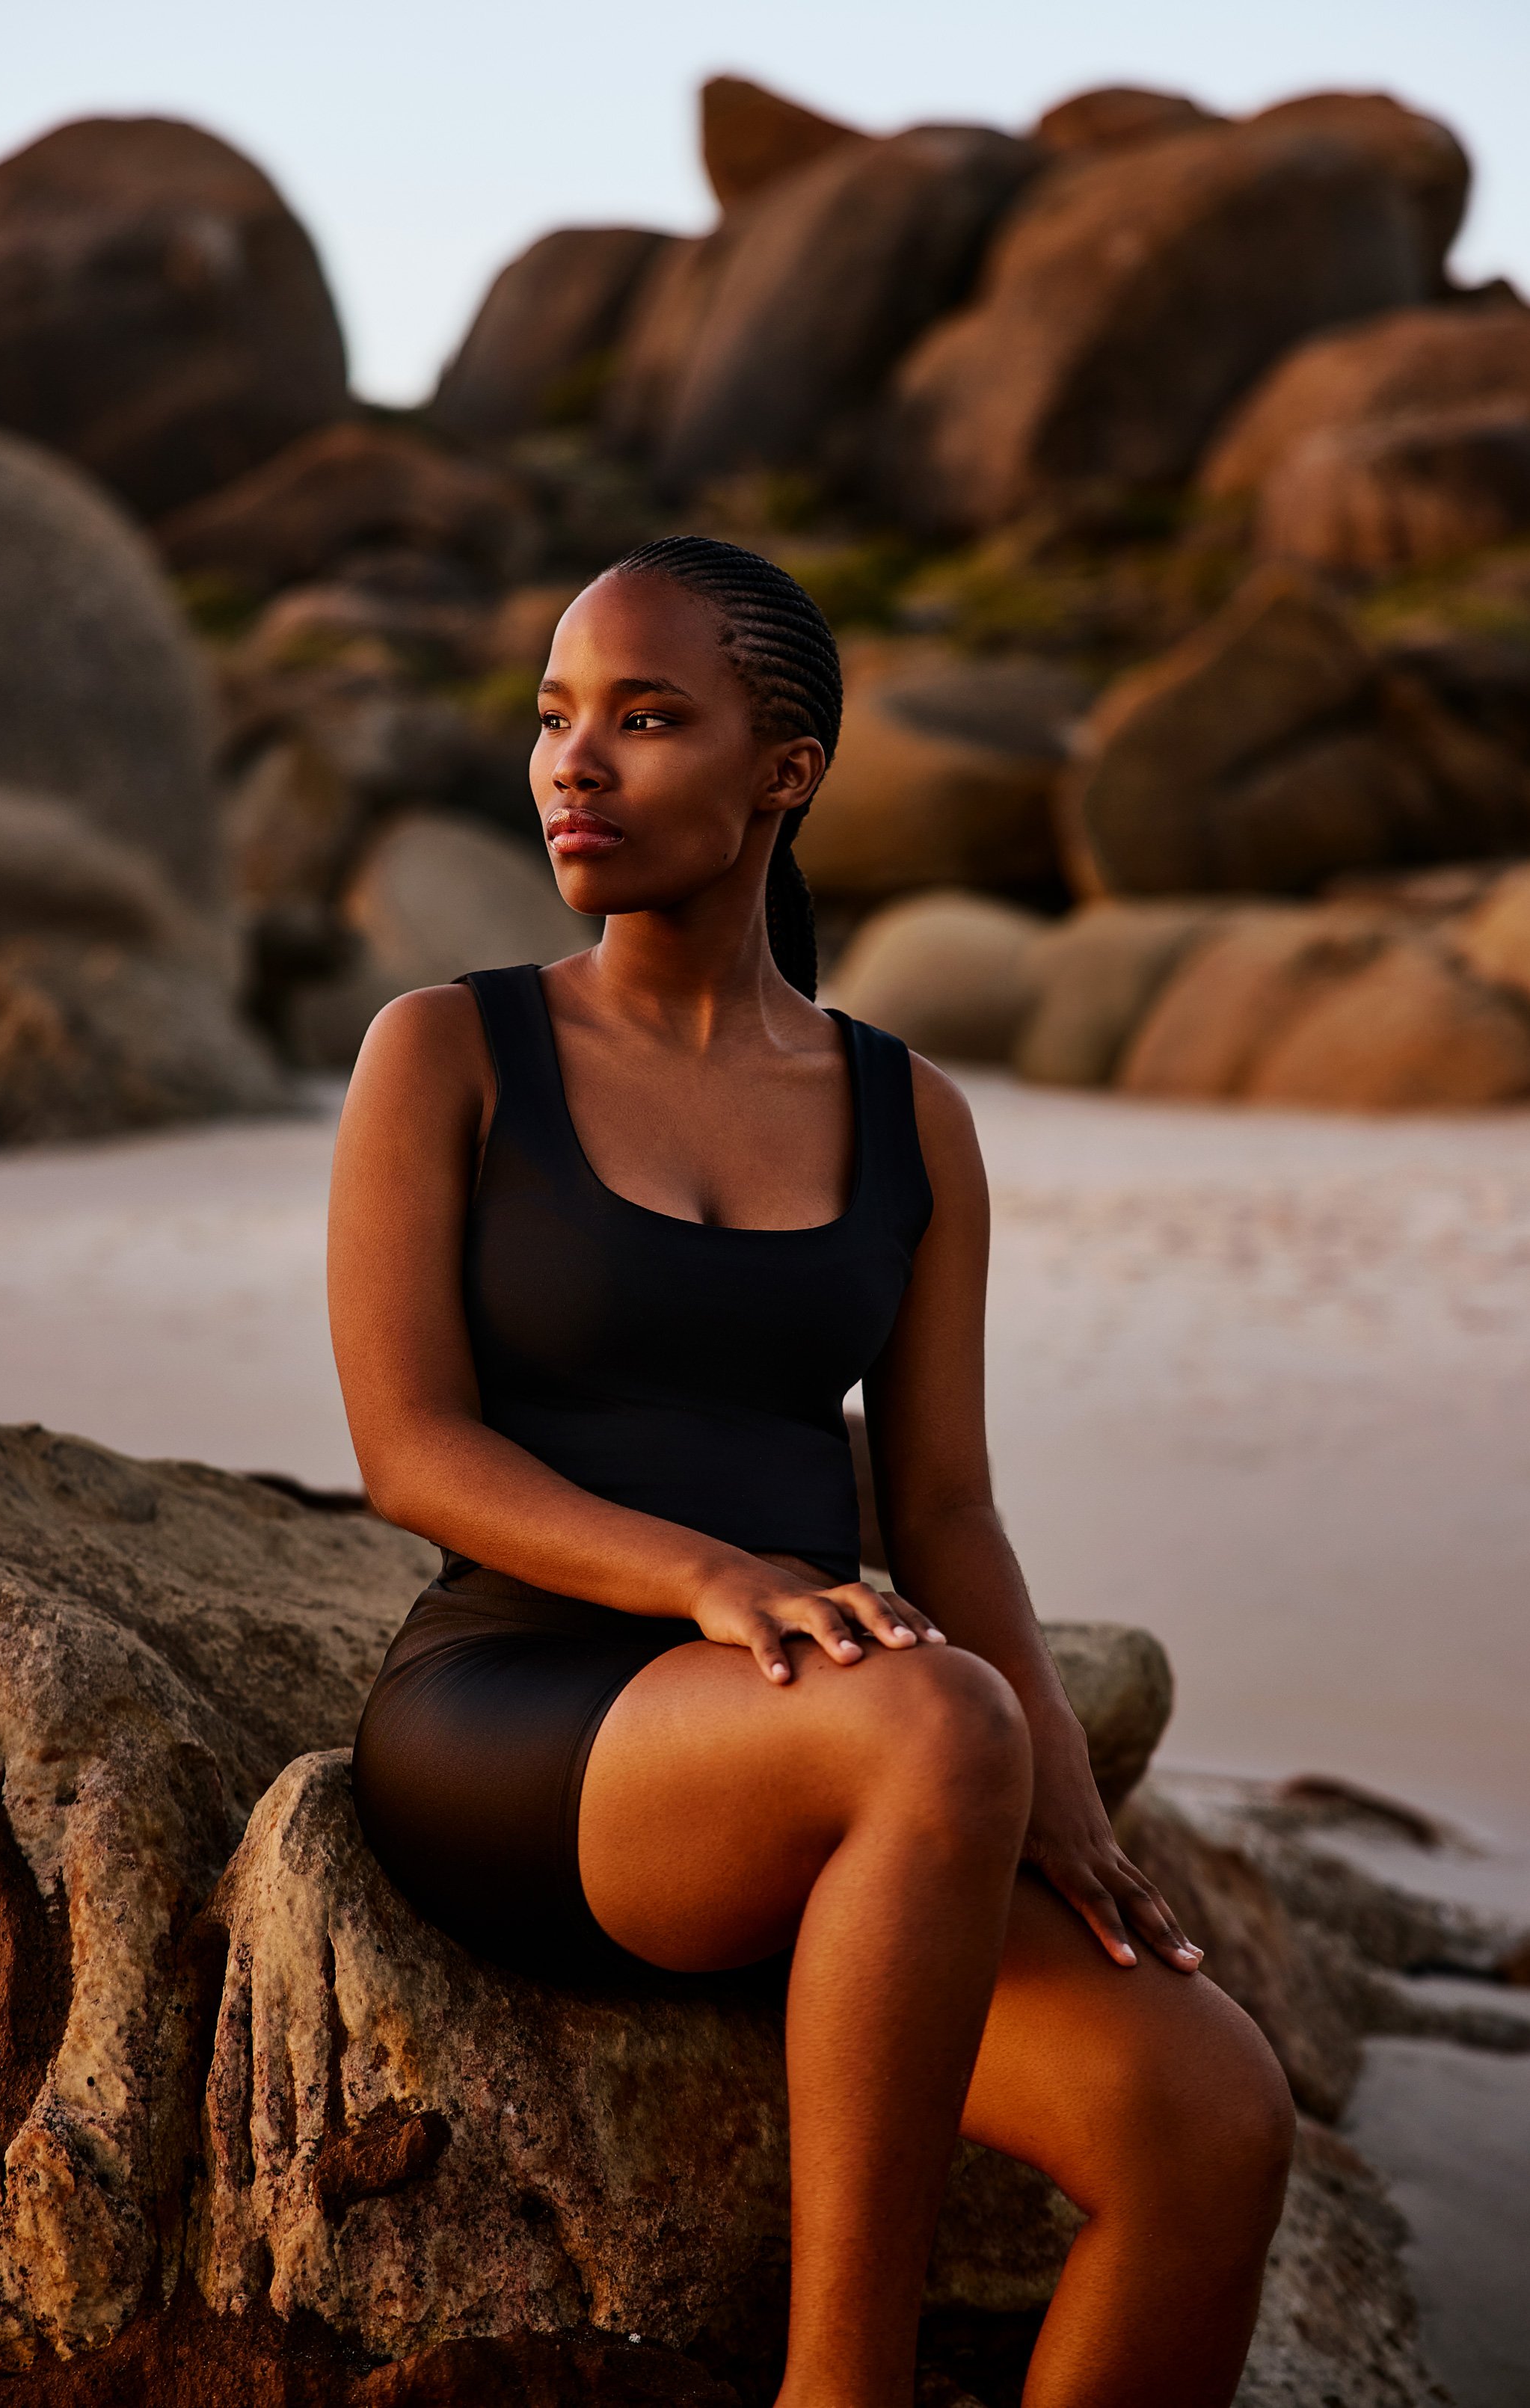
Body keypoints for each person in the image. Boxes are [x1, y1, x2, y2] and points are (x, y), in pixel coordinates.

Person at [329, 536, 1293, 2408]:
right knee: (930, 1723)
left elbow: (942, 1506)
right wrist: (712, 1578)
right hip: (530, 1725)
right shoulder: (446, 1050)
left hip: (825, 1750)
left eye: (646, 717)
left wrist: (1067, 1790)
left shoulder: (906, 1113)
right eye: (552, 720)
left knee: (1211, 2113)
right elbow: (409, 1450)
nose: (572, 767)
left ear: (789, 769)